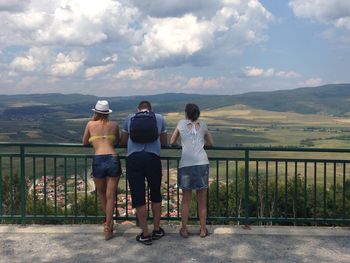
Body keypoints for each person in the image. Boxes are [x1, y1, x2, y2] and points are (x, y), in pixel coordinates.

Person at [120, 100, 167, 245]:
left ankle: (145, 233)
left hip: (134, 159)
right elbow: (164, 142)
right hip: (153, 158)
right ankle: (157, 229)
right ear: (150, 109)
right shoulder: (159, 118)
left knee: (138, 196)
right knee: (155, 193)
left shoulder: (129, 118)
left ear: (137, 109)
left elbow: (123, 141)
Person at [170, 103, 214, 238]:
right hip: (202, 163)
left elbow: (172, 141)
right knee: (202, 200)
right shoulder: (203, 125)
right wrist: (200, 144)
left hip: (186, 164)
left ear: (186, 113)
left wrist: (182, 145)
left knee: (186, 200)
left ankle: (184, 229)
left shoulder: (181, 124)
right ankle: (202, 229)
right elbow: (211, 143)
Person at [82, 100, 122, 240]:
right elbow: (118, 141)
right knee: (111, 195)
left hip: (98, 158)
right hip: (112, 158)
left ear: (96, 112)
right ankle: (109, 226)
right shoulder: (114, 125)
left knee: (101, 192)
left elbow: (84, 142)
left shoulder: (90, 124)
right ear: (108, 112)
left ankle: (107, 222)